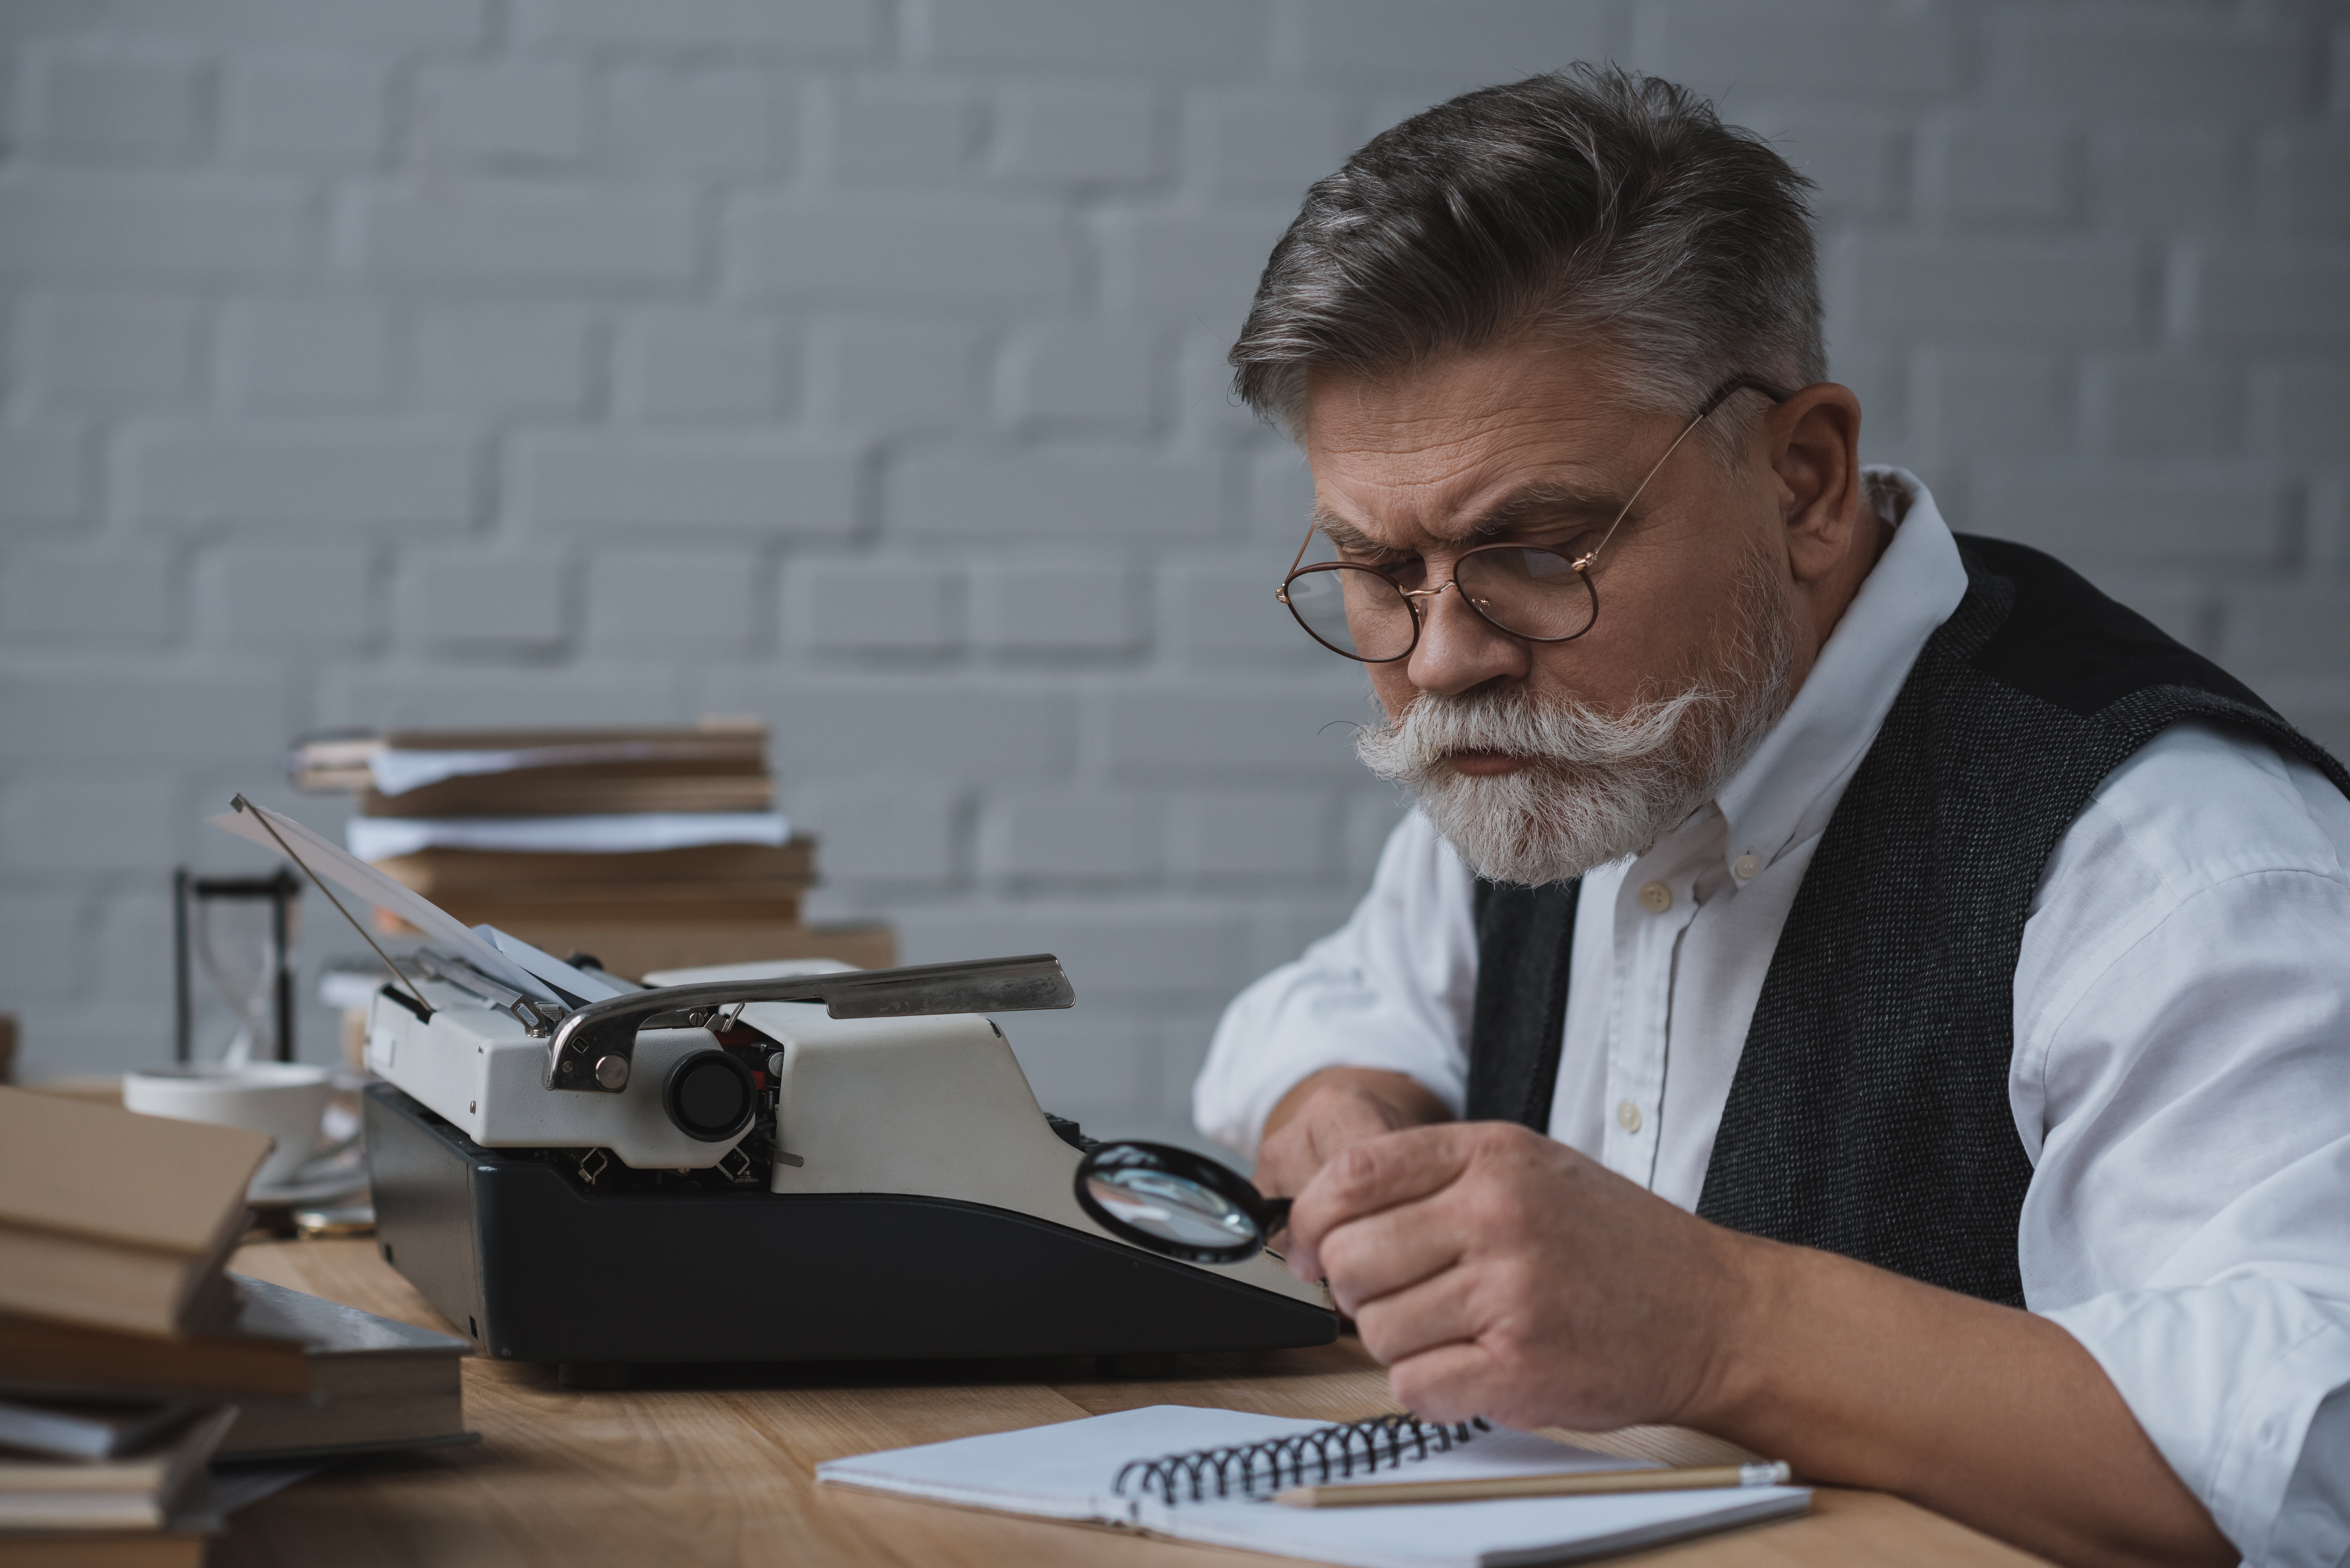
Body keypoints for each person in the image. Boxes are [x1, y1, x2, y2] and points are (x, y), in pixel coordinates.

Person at [1193, 65, 2350, 1568]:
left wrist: (1719, 1323)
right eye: (1376, 568)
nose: (1442, 656)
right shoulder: (1569, 756)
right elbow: (1335, 1012)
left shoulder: (2178, 866)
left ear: (1803, 478)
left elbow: (2308, 1449)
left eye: (1537, 548)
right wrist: (1344, 1122)